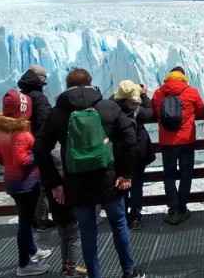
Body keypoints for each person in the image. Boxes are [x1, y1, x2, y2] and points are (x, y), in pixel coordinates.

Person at [34, 68, 144, 278]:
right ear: (91, 82)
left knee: (87, 233)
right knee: (119, 225)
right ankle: (129, 272)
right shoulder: (107, 107)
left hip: (76, 184)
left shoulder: (58, 114)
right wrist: (126, 173)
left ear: (67, 86)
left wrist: (54, 182)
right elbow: (130, 137)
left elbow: (39, 149)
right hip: (109, 179)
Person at [0, 90, 52, 276]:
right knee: (25, 223)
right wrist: (37, 155)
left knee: (24, 218)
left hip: (12, 182)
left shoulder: (1, 128)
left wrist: (9, 164)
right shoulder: (18, 130)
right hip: (26, 183)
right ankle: (24, 264)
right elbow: (21, 159)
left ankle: (33, 250)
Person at [152, 66, 204, 225]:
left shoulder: (158, 93)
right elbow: (202, 111)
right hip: (186, 141)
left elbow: (155, 111)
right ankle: (182, 208)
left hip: (167, 142)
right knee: (186, 174)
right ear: (183, 77)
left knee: (169, 176)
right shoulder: (191, 91)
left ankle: (173, 208)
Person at [111, 80, 157, 231]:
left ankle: (122, 216)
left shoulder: (112, 108)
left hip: (119, 153)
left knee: (121, 185)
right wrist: (144, 95)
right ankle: (135, 217)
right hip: (138, 152)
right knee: (136, 185)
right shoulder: (138, 110)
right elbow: (150, 111)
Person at [18, 65, 56, 231]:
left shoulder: (21, 97)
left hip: (21, 145)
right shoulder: (38, 98)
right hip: (36, 145)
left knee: (28, 182)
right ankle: (41, 220)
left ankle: (31, 219)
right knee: (40, 183)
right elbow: (47, 120)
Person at [46, 147, 86, 277]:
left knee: (64, 237)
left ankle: (65, 265)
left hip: (56, 211)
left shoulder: (51, 179)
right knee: (74, 237)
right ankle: (72, 267)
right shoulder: (67, 177)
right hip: (69, 210)